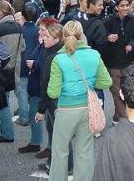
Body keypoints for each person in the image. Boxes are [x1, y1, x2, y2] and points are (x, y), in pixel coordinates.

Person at [47, 20, 112, 181]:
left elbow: (53, 93)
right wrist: (90, 84)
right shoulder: (94, 55)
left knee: (60, 151)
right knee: (84, 150)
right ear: (82, 35)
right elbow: (106, 82)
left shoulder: (59, 59)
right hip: (88, 108)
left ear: (63, 36)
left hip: (66, 109)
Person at [35, 19, 67, 172]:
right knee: (58, 135)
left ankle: (61, 166)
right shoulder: (60, 51)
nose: (43, 38)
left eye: (47, 36)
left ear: (57, 39)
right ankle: (53, 162)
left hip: (54, 101)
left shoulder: (51, 57)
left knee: (59, 136)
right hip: (62, 99)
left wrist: (41, 109)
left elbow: (46, 84)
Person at [104, 0, 134, 123]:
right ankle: (123, 120)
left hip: (128, 61)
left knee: (125, 91)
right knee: (116, 91)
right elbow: (101, 36)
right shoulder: (108, 20)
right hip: (113, 61)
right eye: (122, 5)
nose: (125, 8)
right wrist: (107, 37)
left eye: (127, 5)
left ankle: (117, 117)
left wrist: (132, 45)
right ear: (117, 7)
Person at [0, 0, 26, 143]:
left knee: (3, 101)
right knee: (19, 93)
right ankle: (22, 118)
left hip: (3, 67)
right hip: (16, 66)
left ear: (0, 12)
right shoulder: (18, 26)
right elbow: (23, 47)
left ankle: (7, 132)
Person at [18, 3, 44, 154]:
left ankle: (36, 142)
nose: (41, 33)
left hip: (32, 71)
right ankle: (37, 141)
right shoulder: (36, 31)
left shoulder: (23, 30)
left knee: (33, 106)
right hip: (35, 71)